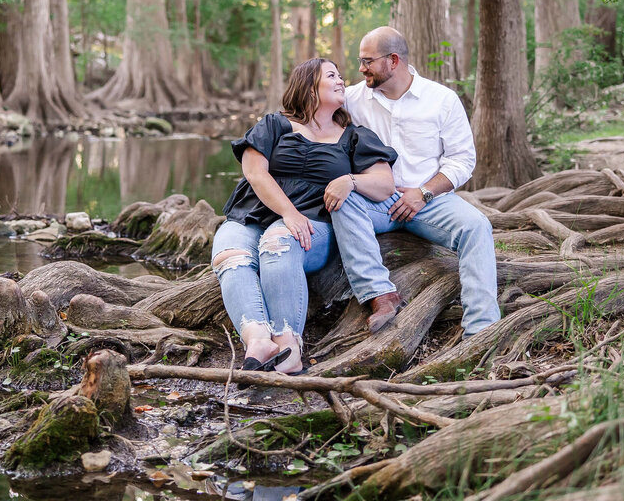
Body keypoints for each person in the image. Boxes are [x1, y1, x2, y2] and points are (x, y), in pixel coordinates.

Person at [211, 58, 398, 375]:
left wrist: (350, 181)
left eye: (341, 76)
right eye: (331, 75)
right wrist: (288, 212)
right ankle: (257, 341)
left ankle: (289, 348)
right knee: (230, 255)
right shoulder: (275, 124)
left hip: (316, 222)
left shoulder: (354, 136)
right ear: (309, 84)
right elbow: (255, 173)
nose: (341, 80)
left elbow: (384, 184)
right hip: (254, 214)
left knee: (279, 242)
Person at [331, 26, 500, 337]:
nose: (360, 68)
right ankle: (381, 294)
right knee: (343, 200)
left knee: (476, 226)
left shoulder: (442, 100)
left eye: (368, 61)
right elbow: (312, 115)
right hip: (375, 201)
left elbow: (462, 160)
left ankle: (481, 329)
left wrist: (423, 193)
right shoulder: (352, 99)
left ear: (393, 60)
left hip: (430, 201)